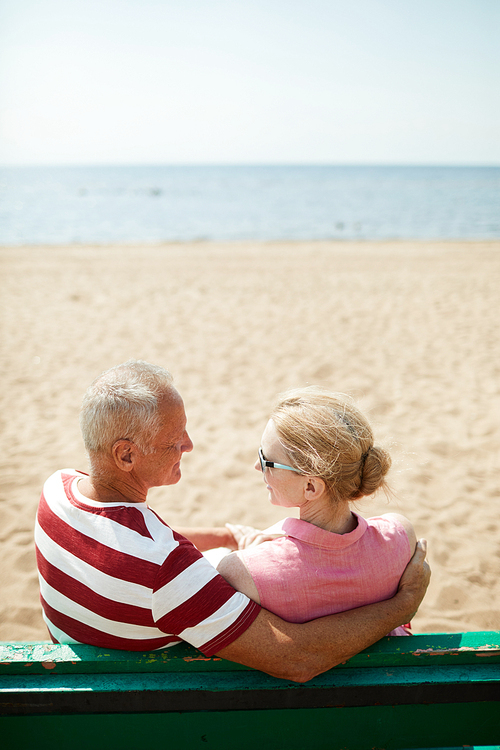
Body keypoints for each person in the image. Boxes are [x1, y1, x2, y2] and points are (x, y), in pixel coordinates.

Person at [35, 360, 430, 684]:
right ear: (125, 456)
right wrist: (405, 603)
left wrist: (229, 538)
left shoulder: (55, 493)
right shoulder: (168, 573)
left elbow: (130, 544)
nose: (188, 444)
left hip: (87, 690)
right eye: (174, 439)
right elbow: (299, 658)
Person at [217, 387, 415, 635]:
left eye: (266, 460)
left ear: (311, 486)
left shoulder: (242, 572)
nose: (256, 466)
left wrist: (249, 559)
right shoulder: (401, 536)